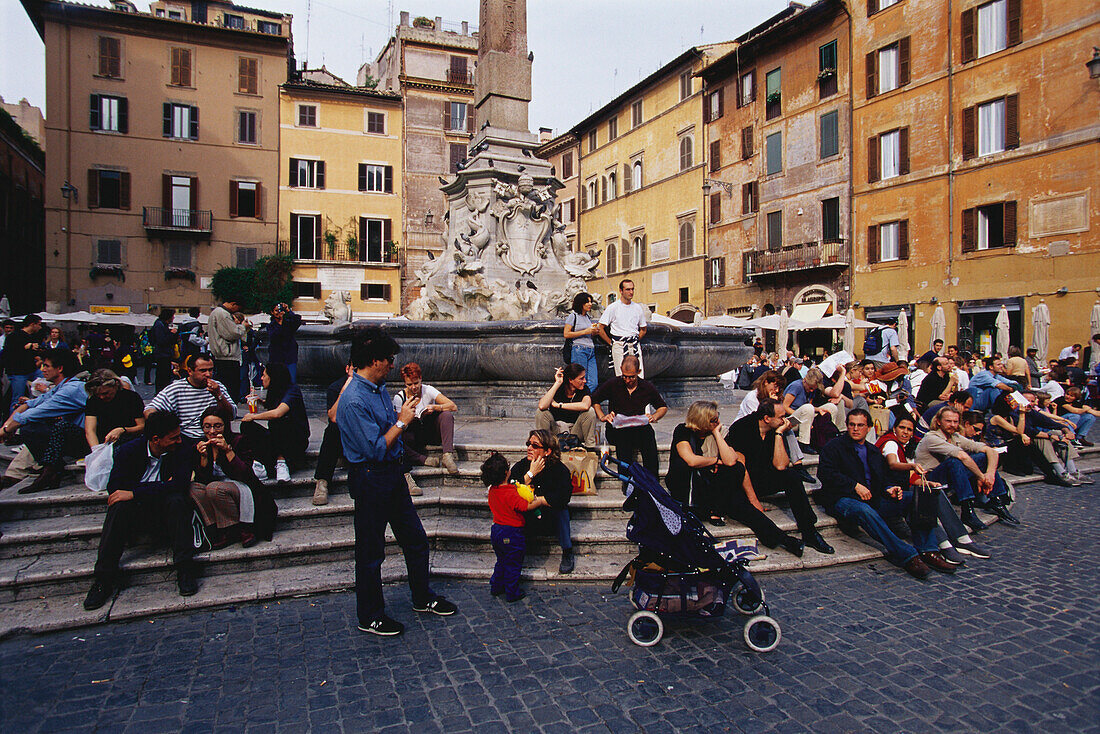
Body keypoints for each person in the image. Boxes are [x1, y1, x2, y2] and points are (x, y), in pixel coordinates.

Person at [335, 333, 456, 637]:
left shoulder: (377, 389)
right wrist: (402, 421)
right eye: (388, 359)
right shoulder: (354, 399)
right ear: (374, 360)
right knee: (371, 552)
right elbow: (376, 447)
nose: (392, 365)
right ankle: (370, 615)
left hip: (391, 474)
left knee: (415, 539)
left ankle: (422, 597)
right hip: (370, 478)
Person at [817, 409, 956, 579]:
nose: (855, 429)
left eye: (860, 425)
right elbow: (825, 473)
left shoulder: (873, 451)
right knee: (864, 510)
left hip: (872, 498)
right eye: (852, 425)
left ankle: (928, 550)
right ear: (847, 426)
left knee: (916, 498)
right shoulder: (834, 447)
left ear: (868, 428)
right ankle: (908, 555)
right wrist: (854, 485)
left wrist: (890, 488)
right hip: (842, 499)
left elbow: (883, 478)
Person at [82, 411, 198, 609]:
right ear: (155, 439)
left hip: (165, 510)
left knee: (177, 501)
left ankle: (185, 569)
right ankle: (103, 578)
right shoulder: (128, 451)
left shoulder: (183, 448)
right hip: (136, 512)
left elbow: (179, 485)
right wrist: (159, 487)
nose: (178, 440)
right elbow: (116, 488)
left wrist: (135, 492)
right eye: (173, 438)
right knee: (119, 506)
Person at [666, 401, 805, 556]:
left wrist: (717, 434)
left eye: (717, 418)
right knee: (739, 502)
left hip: (714, 489)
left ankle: (786, 541)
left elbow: (732, 460)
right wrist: (715, 461)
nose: (717, 422)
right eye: (713, 420)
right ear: (701, 419)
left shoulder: (717, 431)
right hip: (690, 490)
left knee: (745, 503)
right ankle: (713, 511)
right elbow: (691, 460)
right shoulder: (683, 431)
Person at [876, 415, 991, 562]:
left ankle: (960, 538)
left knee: (931, 490)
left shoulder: (906, 447)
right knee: (923, 497)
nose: (905, 432)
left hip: (902, 489)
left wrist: (927, 483)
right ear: (894, 429)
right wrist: (912, 466)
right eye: (902, 428)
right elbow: (893, 464)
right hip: (889, 493)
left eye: (909, 429)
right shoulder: (890, 443)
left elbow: (909, 477)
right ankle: (945, 542)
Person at [726, 398, 835, 554]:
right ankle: (785, 540)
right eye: (781, 417)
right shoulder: (742, 428)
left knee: (792, 476)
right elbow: (741, 468)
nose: (785, 420)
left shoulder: (775, 429)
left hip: (760, 476)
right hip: (740, 481)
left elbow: (780, 465)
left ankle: (809, 531)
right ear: (766, 418)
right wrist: (754, 500)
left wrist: (778, 434)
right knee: (747, 509)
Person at [914, 406, 1019, 531]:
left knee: (983, 456)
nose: (952, 425)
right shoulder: (932, 438)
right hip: (930, 479)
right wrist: (981, 476)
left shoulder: (955, 437)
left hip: (950, 476)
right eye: (948, 421)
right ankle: (967, 510)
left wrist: (989, 474)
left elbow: (990, 451)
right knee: (955, 461)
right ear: (938, 422)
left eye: (955, 421)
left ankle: (997, 501)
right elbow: (962, 456)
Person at [0, 348, 88, 493]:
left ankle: (52, 469)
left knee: (31, 427)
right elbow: (28, 405)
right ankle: (46, 468)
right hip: (72, 434)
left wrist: (4, 431)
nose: (42, 369)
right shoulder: (62, 386)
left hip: (86, 440)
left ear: (59, 368)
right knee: (33, 425)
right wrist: (7, 426)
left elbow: (33, 413)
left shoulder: (70, 390)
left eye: (46, 366)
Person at [190, 407, 277, 549]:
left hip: (242, 488)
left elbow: (246, 475)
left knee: (215, 487)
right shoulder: (200, 445)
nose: (212, 431)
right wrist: (204, 458)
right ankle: (213, 528)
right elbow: (202, 480)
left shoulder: (239, 440)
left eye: (217, 426)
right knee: (193, 488)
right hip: (217, 492)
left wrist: (228, 451)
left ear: (226, 426)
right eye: (207, 427)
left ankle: (232, 529)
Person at [483, 452, 548, 602]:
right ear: (506, 473)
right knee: (513, 563)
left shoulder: (492, 490)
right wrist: (539, 502)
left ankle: (496, 585)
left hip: (496, 530)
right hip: (512, 532)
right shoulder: (510, 492)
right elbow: (524, 506)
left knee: (501, 560)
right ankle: (512, 591)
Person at [510, 429, 576, 574]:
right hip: (528, 517)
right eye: (528, 444)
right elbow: (509, 492)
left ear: (547, 451)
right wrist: (530, 474)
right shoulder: (522, 466)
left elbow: (564, 497)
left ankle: (567, 551)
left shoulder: (559, 470)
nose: (529, 448)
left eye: (535, 446)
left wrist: (539, 501)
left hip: (549, 517)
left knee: (562, 510)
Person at [591, 355, 667, 476]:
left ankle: (652, 478)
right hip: (618, 429)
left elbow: (662, 407)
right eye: (625, 376)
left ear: (638, 372)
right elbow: (594, 399)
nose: (627, 380)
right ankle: (626, 479)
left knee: (648, 436)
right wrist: (602, 416)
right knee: (624, 438)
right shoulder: (613, 384)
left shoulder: (646, 387)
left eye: (632, 377)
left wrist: (655, 416)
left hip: (638, 428)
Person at [735, 370, 815, 483]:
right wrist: (771, 402)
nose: (776, 390)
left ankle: (798, 464)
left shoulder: (776, 396)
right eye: (775, 386)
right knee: (783, 428)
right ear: (766, 382)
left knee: (785, 427)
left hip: (767, 427)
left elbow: (777, 417)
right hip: (750, 431)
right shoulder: (752, 397)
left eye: (779, 388)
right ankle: (797, 465)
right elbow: (759, 419)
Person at [144, 354, 237, 447]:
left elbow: (231, 415)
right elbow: (150, 410)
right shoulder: (176, 389)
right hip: (187, 438)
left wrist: (218, 395)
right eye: (203, 371)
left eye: (210, 370)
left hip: (215, 435)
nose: (208, 374)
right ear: (190, 371)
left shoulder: (218, 387)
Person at [239, 363, 310, 482]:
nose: (261, 378)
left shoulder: (292, 391)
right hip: (277, 439)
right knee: (247, 426)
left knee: (279, 422)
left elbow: (278, 412)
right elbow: (273, 405)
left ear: (273, 377)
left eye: (264, 375)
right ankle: (260, 464)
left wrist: (254, 416)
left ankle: (281, 461)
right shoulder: (275, 391)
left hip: (295, 440)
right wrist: (260, 402)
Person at [393, 362, 459, 474]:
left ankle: (447, 455)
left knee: (446, 415)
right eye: (409, 385)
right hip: (413, 435)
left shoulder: (428, 390)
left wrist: (436, 407)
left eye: (416, 383)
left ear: (420, 379)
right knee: (397, 438)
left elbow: (453, 406)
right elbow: (399, 424)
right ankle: (423, 459)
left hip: (430, 431)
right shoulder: (399, 398)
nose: (413, 387)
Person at [313, 363, 353, 506]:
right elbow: (334, 417)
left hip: (360, 438)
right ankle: (322, 482)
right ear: (347, 369)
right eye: (354, 369)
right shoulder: (335, 387)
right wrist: (345, 389)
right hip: (341, 437)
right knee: (332, 430)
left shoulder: (370, 387)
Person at [535, 364, 597, 448]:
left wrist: (559, 405)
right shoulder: (559, 389)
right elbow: (542, 406)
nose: (585, 381)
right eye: (581, 378)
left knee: (590, 411)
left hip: (575, 432)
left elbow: (585, 405)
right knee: (541, 412)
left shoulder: (584, 389)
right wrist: (557, 382)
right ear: (571, 380)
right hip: (556, 430)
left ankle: (590, 448)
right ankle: (543, 447)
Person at [596, 279, 648, 376]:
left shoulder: (638, 308)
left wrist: (634, 340)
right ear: (621, 291)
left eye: (632, 289)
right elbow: (600, 328)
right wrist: (611, 343)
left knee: (639, 376)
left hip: (634, 345)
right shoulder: (613, 307)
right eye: (628, 289)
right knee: (621, 376)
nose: (631, 292)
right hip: (619, 345)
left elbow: (643, 329)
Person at [781, 367, 839, 453]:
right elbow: (785, 407)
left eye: (813, 389)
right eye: (810, 388)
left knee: (831, 407)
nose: (811, 390)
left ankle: (828, 436)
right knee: (808, 408)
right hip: (790, 419)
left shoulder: (812, 391)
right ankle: (804, 443)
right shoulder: (796, 386)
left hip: (805, 416)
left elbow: (809, 406)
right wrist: (803, 416)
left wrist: (818, 409)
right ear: (805, 381)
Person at [84, 369, 145, 448]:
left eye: (106, 393)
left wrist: (122, 430)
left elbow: (141, 426)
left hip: (128, 439)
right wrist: (96, 449)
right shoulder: (93, 400)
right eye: (98, 394)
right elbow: (90, 430)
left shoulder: (131, 397)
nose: (102, 397)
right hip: (103, 441)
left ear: (116, 385)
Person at [208, 296, 247, 402]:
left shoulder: (216, 312)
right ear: (233, 304)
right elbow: (232, 333)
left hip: (221, 355)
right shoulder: (223, 314)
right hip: (227, 356)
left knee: (226, 385)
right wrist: (243, 326)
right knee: (230, 386)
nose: (236, 311)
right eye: (237, 308)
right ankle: (230, 409)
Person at [3, 313, 43, 413]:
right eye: (39, 324)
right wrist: (26, 347)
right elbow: (10, 352)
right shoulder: (14, 336)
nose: (40, 327)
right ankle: (12, 423)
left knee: (46, 381)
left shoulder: (33, 336)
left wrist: (37, 356)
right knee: (17, 398)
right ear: (33, 324)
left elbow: (31, 354)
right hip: (18, 372)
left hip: (32, 369)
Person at [563, 292, 599, 391]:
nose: (590, 304)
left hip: (590, 350)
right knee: (580, 380)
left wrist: (593, 332)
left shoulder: (588, 317)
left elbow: (587, 333)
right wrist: (585, 331)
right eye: (587, 302)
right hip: (579, 350)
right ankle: (580, 403)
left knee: (593, 382)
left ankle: (585, 401)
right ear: (580, 303)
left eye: (591, 301)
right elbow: (566, 334)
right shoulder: (573, 316)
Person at [265, 302, 302, 383]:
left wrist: (288, 310)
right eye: (276, 311)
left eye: (280, 310)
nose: (278, 313)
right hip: (277, 358)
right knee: (277, 381)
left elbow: (297, 320)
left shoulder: (288, 323)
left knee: (291, 380)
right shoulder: (270, 326)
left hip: (290, 356)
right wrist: (280, 323)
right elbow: (275, 336)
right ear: (272, 312)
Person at [150, 308, 178, 392]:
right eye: (172, 316)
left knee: (164, 375)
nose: (173, 318)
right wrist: (171, 333)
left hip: (164, 354)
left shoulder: (161, 324)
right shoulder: (160, 325)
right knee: (163, 375)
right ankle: (161, 392)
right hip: (162, 354)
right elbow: (162, 340)